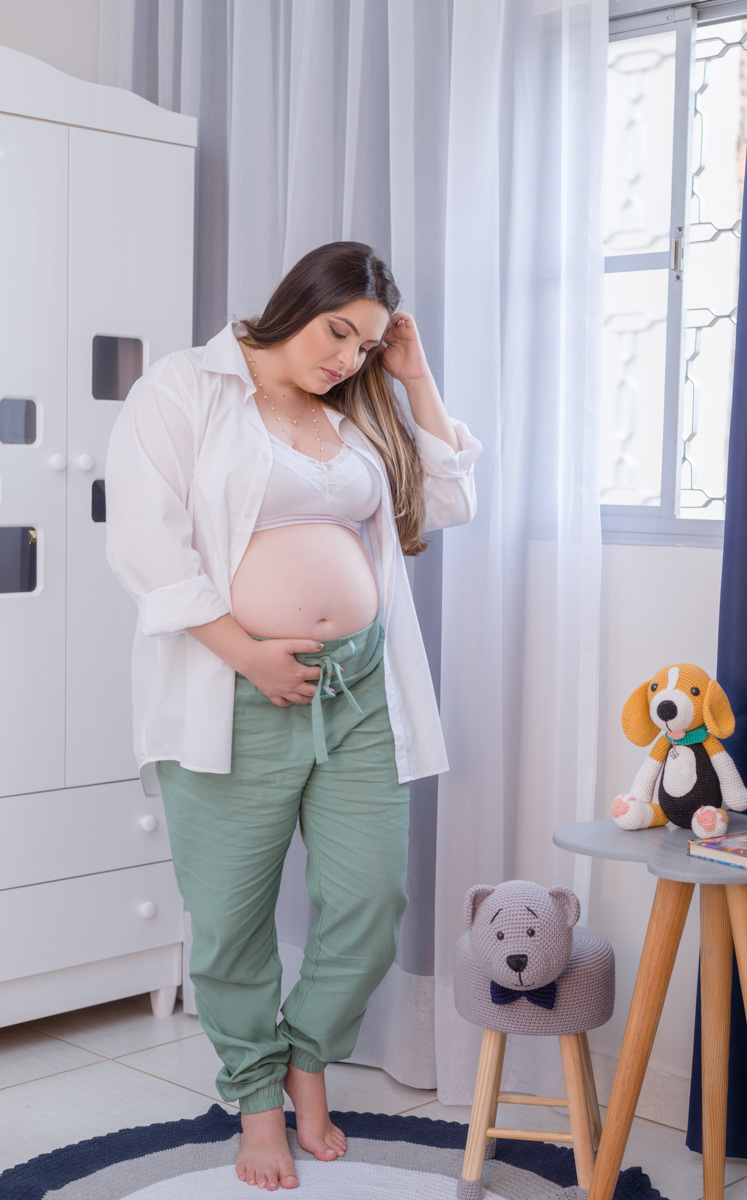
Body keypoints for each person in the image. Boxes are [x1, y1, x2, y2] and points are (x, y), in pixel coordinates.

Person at [104, 241, 482, 1191]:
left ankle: (309, 1058)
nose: (346, 358)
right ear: (294, 305)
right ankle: (258, 1098)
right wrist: (248, 655)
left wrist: (413, 377)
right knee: (230, 919)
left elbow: (450, 499)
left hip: (358, 686)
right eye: (336, 332)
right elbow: (147, 544)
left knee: (370, 901)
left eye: (362, 344)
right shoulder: (185, 388)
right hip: (232, 688)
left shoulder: (352, 411)